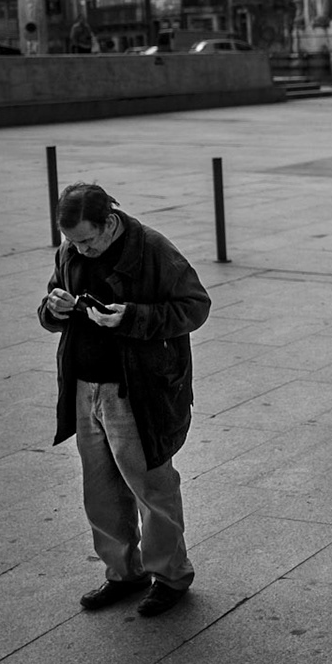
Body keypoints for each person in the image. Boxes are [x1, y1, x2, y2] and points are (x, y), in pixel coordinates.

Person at [37, 182, 211, 618]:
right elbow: (52, 302)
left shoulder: (152, 249)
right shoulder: (71, 252)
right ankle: (122, 572)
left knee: (152, 487)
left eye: (88, 240)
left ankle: (170, 576)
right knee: (100, 491)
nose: (82, 250)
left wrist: (132, 316)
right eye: (72, 242)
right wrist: (52, 309)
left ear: (109, 223)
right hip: (84, 387)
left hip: (137, 390)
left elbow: (195, 306)